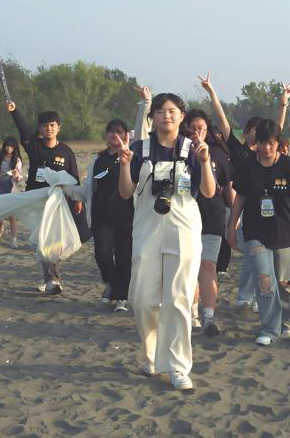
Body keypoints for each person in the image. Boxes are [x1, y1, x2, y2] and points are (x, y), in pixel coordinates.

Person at [117, 92, 216, 392]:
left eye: (172, 111)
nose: (166, 116)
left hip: (183, 227)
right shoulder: (139, 149)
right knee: (143, 300)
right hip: (147, 227)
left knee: (179, 300)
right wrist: (124, 164)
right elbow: (125, 193)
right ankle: (151, 357)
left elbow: (209, 193)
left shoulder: (193, 149)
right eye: (160, 111)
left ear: (182, 116)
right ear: (153, 117)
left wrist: (206, 161)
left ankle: (178, 367)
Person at [200, 75, 289, 312]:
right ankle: (247, 295)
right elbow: (222, 119)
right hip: (239, 208)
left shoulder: (268, 154)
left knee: (254, 254)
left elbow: (277, 130)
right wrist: (212, 92)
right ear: (249, 132)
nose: (258, 136)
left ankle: (247, 296)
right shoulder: (238, 150)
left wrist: (283, 104)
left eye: (262, 134)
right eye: (254, 131)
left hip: (263, 211)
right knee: (253, 253)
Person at [224, 118, 290, 344]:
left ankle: (289, 321)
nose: (266, 148)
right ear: (257, 142)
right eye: (263, 143)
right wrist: (231, 226)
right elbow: (240, 198)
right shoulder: (247, 167)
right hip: (256, 233)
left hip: (284, 233)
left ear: (278, 143)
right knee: (264, 281)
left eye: (271, 143)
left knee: (284, 282)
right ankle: (269, 328)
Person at [77, 86, 151, 312]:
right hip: (102, 218)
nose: (115, 135)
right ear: (106, 136)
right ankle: (112, 283)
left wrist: (146, 104)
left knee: (125, 257)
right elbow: (88, 188)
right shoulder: (98, 161)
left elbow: (143, 131)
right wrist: (65, 190)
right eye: (111, 132)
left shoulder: (133, 155)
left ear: (126, 136)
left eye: (119, 132)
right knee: (102, 255)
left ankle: (121, 296)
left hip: (128, 217)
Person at [5, 101, 81, 296]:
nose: (49, 128)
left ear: (58, 127)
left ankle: (50, 278)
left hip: (59, 202)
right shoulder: (35, 146)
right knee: (42, 240)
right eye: (45, 125)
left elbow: (74, 176)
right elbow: (23, 132)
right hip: (37, 199)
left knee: (53, 241)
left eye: (53, 125)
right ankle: (51, 280)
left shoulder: (66, 151)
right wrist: (15, 111)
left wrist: (79, 198)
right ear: (40, 128)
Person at [182, 108, 234, 337]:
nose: (198, 132)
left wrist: (234, 215)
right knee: (189, 267)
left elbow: (228, 186)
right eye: (193, 128)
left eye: (202, 128)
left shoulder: (218, 153)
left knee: (208, 265)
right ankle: (191, 311)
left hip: (212, 214)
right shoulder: (178, 151)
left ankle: (209, 315)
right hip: (184, 215)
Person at [0, 137, 22, 247]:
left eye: (11, 146)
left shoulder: (17, 160)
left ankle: (14, 240)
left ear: (14, 148)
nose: (9, 148)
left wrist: (17, 176)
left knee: (12, 216)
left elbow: (20, 176)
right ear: (4, 146)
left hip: (11, 190)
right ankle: (1, 229)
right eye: (7, 146)